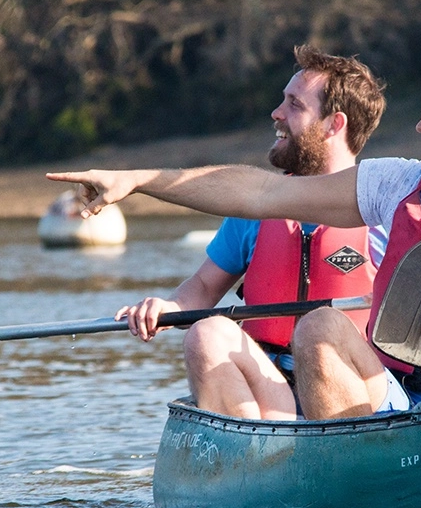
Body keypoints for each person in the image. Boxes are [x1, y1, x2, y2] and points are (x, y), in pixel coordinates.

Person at [49, 44, 421, 420]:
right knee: (318, 327)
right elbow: (259, 193)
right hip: (399, 401)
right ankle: (351, 485)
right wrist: (138, 180)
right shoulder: (398, 183)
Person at [115, 45, 388, 420]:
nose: (276, 114)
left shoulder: (384, 213)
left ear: (333, 124)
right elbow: (204, 287)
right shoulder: (255, 212)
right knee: (205, 333)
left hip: (350, 388)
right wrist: (169, 309)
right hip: (271, 387)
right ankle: (264, 459)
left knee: (321, 331)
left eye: (294, 105)